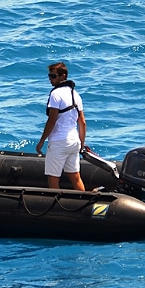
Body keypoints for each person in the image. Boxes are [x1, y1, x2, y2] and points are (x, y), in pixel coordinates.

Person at [36, 62, 87, 191]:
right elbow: (82, 122)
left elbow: (51, 121)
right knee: (75, 176)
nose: (50, 79)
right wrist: (81, 144)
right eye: (49, 76)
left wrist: (41, 141)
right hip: (73, 141)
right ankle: (85, 202)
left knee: (53, 178)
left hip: (59, 141)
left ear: (62, 76)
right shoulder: (76, 95)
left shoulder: (56, 94)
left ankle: (55, 207)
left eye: (53, 76)